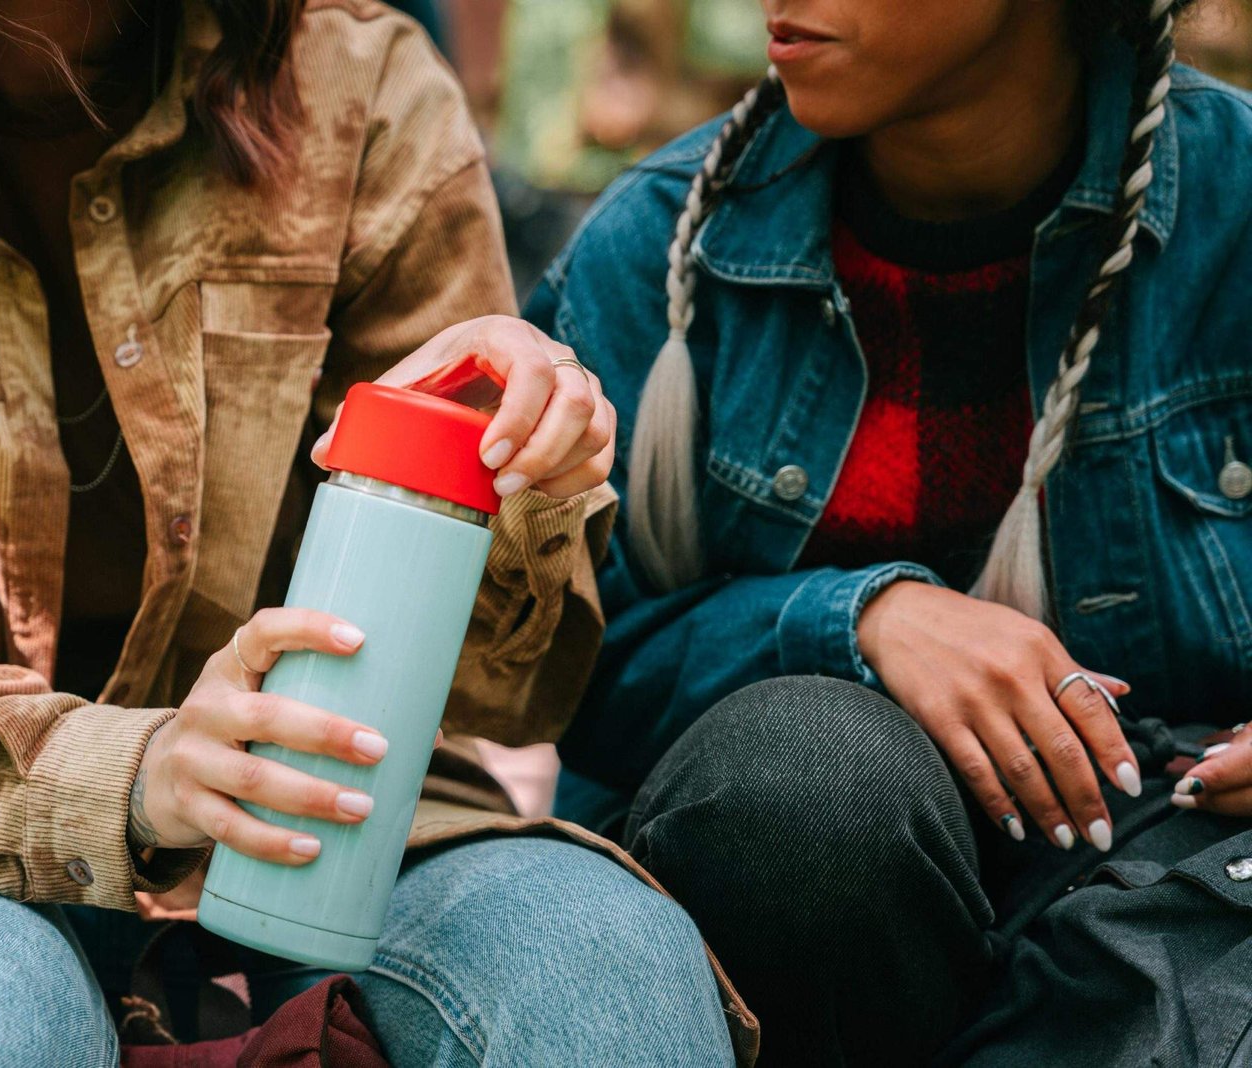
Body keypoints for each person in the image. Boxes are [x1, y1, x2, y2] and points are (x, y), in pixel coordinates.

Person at [0, 1, 745, 1064]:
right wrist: (134, 772)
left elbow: (495, 699)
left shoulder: (358, 96)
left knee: (606, 963)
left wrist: (515, 488)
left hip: (337, 821)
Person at [528, 0, 1252, 1061]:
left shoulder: (1233, 210)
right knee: (801, 786)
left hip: (1165, 889)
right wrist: (851, 624)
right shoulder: (667, 242)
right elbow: (561, 671)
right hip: (802, 929)